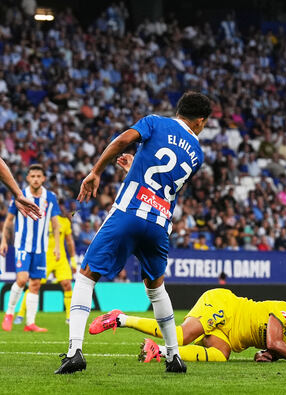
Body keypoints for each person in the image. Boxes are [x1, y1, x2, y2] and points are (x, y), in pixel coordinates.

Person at [55, 91, 212, 375]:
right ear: (200, 121)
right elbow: (163, 183)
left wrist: (96, 171)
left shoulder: (155, 122)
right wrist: (133, 170)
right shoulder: (198, 154)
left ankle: (74, 351)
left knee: (87, 275)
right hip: (160, 223)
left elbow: (124, 140)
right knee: (156, 288)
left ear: (179, 110)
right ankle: (174, 357)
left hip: (129, 212)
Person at [88, 288, 286, 364]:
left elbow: (272, 351)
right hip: (224, 305)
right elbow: (273, 342)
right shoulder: (282, 310)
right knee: (181, 336)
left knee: (219, 356)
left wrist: (267, 357)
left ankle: (159, 351)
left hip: (227, 337)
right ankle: (119, 318)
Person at [1, 164, 61, 332]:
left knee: (35, 284)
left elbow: (55, 225)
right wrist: (4, 241)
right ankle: (9, 314)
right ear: (28, 178)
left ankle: (30, 323)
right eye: (32, 176)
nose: (35, 179)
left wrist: (57, 246)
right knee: (21, 279)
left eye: (38, 176)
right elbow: (9, 220)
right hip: (22, 246)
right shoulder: (20, 196)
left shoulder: (51, 197)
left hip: (41, 248)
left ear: (43, 178)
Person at [15, 199, 78, 325]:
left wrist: (73, 260)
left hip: (60, 259)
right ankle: (20, 314)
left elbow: (70, 242)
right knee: (34, 285)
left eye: (60, 206)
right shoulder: (39, 221)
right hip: (43, 258)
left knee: (67, 284)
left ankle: (69, 317)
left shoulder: (64, 222)